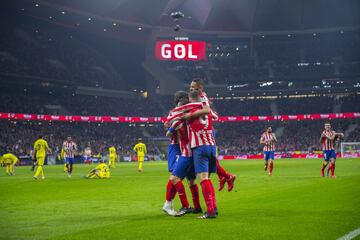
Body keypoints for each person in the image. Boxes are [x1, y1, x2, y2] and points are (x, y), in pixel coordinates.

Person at [190, 79, 236, 192]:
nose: (191, 89)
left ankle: (225, 177)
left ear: (200, 88)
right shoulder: (196, 97)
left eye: (194, 87)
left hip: (204, 131)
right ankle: (225, 177)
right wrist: (214, 115)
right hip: (204, 131)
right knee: (211, 159)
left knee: (207, 160)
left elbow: (207, 110)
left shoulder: (202, 97)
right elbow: (212, 114)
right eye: (190, 87)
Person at [163, 91, 202, 216]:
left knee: (176, 177)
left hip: (181, 148)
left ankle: (171, 204)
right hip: (185, 147)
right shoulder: (187, 113)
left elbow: (168, 127)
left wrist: (171, 125)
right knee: (189, 179)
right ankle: (192, 206)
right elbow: (167, 124)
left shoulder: (178, 114)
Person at [181, 90, 218, 219]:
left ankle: (210, 211)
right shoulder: (207, 110)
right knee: (207, 179)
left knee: (203, 179)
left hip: (200, 147)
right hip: (212, 146)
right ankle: (214, 207)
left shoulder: (190, 112)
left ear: (191, 100)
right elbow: (215, 116)